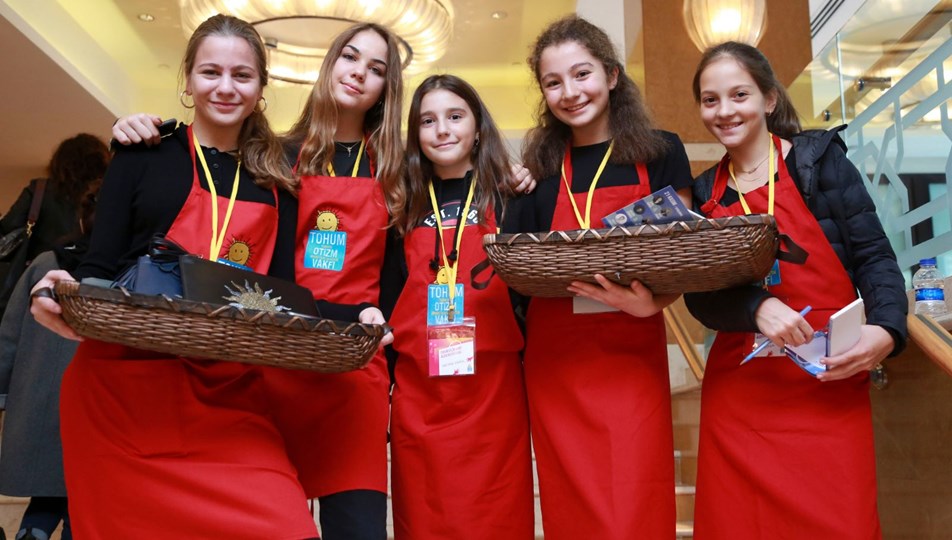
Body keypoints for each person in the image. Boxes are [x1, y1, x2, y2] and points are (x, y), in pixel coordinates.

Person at [30, 14, 385, 539]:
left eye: (242, 75)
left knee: (287, 527)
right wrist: (53, 286)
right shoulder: (143, 153)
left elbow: (279, 298)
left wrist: (357, 314)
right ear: (188, 79)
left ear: (261, 88)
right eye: (210, 72)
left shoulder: (275, 181)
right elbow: (98, 268)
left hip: (227, 393)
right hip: (122, 391)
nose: (225, 87)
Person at [684, 41, 907, 539]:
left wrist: (888, 329)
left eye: (739, 95)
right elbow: (699, 294)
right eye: (710, 100)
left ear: (768, 99)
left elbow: (874, 257)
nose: (724, 111)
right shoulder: (702, 194)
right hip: (741, 396)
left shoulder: (818, 163)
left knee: (842, 522)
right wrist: (755, 306)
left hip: (827, 384)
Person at [517, 15, 693, 539]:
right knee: (571, 503)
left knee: (638, 495)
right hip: (557, 363)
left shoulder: (661, 151)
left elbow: (682, 255)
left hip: (631, 353)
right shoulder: (538, 169)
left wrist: (655, 303)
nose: (570, 93)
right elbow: (516, 265)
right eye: (553, 82)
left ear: (612, 75)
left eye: (582, 74)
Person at [384, 74, 534, 539]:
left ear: (478, 126)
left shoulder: (510, 198)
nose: (443, 130)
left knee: (494, 519)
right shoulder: (401, 205)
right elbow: (388, 295)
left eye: (455, 116)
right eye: (428, 121)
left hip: (494, 394)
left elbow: (529, 295)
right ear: (415, 134)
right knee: (423, 519)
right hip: (418, 393)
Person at [0, 182, 99, 540]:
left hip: (38, 398)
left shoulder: (45, 263)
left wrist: (3, 391)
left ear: (82, 221)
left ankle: (32, 531)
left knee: (47, 485)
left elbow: (9, 334)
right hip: (97, 402)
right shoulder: (131, 272)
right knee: (83, 493)